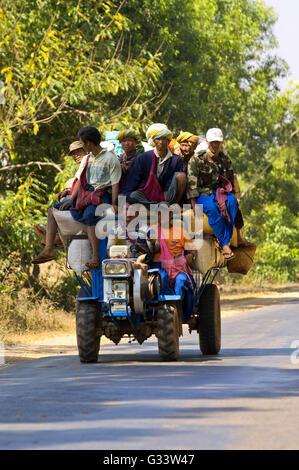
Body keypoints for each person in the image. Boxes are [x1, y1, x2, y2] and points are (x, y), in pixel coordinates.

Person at [32, 127, 121, 269]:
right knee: (52, 210)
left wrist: (115, 203)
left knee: (90, 214)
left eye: (83, 143)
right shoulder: (87, 159)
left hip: (100, 195)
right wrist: (72, 199)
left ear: (90, 143)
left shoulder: (111, 159)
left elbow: (115, 184)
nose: (83, 146)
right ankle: (48, 249)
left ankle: (95, 256)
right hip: (84, 195)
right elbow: (80, 181)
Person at [187, 127, 239, 260]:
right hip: (203, 194)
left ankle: (225, 238)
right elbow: (192, 182)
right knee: (212, 209)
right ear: (208, 142)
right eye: (213, 142)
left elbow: (229, 180)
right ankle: (225, 244)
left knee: (232, 202)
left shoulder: (225, 160)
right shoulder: (197, 159)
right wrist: (193, 204)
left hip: (220, 193)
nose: (215, 145)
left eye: (218, 142)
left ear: (221, 143)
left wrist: (230, 195)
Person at [33, 141, 87, 246]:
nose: (75, 155)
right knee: (58, 206)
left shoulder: (89, 161)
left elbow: (85, 184)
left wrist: (71, 197)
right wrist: (68, 191)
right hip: (77, 195)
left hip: (84, 197)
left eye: (78, 152)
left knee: (53, 210)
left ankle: (53, 239)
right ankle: (54, 235)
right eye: (72, 154)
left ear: (86, 149)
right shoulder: (83, 164)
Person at [150, 206, 197, 322]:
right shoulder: (153, 230)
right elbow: (150, 248)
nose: (162, 217)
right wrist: (152, 245)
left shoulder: (181, 231)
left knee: (181, 281)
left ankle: (178, 310)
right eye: (159, 214)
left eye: (165, 213)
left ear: (171, 215)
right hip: (160, 269)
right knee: (162, 279)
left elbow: (193, 251)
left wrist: (189, 257)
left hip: (180, 270)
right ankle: (166, 310)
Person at [121, 123, 186, 205]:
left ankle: (173, 204)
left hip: (167, 195)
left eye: (164, 139)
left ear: (169, 141)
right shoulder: (144, 157)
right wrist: (126, 195)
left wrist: (166, 192)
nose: (161, 142)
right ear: (154, 141)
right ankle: (155, 207)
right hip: (148, 194)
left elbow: (173, 182)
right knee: (134, 195)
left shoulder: (176, 160)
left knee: (181, 176)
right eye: (158, 139)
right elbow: (134, 178)